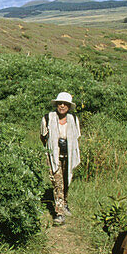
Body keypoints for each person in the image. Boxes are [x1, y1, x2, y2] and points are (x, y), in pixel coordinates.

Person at [39, 91, 81, 225]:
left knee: (66, 181)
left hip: (68, 155)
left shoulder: (73, 119)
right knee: (58, 183)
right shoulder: (48, 118)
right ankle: (59, 213)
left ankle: (64, 203)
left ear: (69, 106)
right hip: (54, 155)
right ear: (56, 104)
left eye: (65, 104)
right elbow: (43, 136)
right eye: (60, 103)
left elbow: (77, 137)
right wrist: (51, 149)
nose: (62, 106)